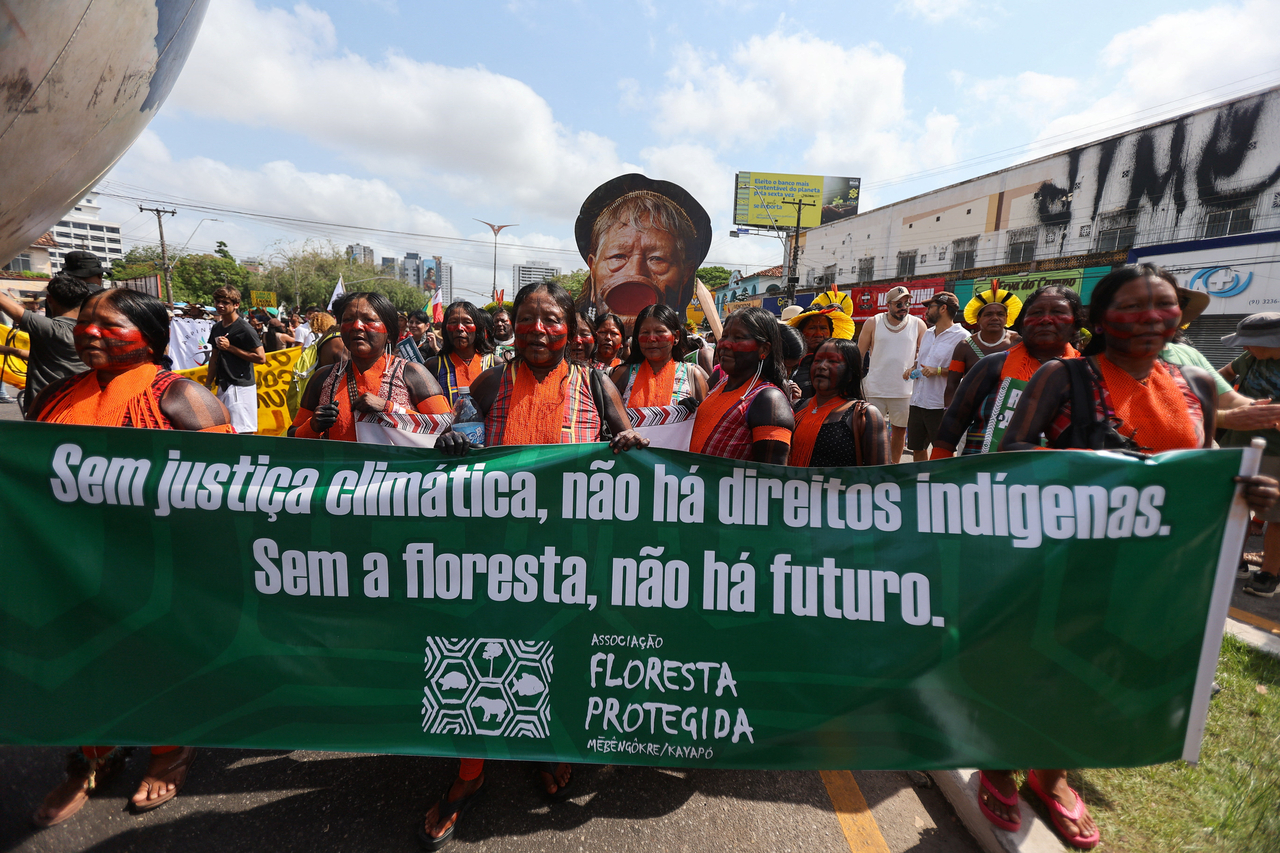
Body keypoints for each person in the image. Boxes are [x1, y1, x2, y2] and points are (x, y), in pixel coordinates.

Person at [991, 265, 1279, 850]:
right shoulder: (1062, 377)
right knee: (1038, 659)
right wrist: (1108, 473)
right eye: (1132, 307)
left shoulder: (1196, 386)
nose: (1150, 319)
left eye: (1164, 308)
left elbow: (1205, 466)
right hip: (1065, 558)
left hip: (1154, 568)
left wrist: (1249, 491)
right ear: (1099, 320)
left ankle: (1050, 775)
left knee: (1100, 670)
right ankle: (996, 761)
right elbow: (1012, 453)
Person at [427, 282, 647, 850]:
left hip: (573, 556)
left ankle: (548, 746)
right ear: (512, 326)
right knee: (477, 654)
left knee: (562, 652)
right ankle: (469, 774)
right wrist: (453, 440)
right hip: (495, 555)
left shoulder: (596, 383)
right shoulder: (491, 381)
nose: (539, 330)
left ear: (571, 329)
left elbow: (625, 433)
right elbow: (463, 435)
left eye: (551, 320)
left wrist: (627, 439)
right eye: (528, 319)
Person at [26, 287, 232, 827]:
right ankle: (91, 759)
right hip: (68, 568)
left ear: (153, 337)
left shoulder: (184, 399)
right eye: (84, 323)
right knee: (81, 666)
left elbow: (228, 493)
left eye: (108, 325)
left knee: (156, 660)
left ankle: (170, 750)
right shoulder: (52, 398)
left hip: (158, 572)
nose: (89, 332)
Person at [931, 285, 1082, 458]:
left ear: (1075, 322)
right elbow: (955, 418)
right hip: (980, 478)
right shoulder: (991, 363)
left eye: (1057, 312)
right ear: (1023, 322)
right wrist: (937, 473)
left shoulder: (1088, 376)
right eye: (1036, 313)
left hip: (1054, 482)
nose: (1046, 319)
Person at [288, 292, 450, 441]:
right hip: (338, 472)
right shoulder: (323, 377)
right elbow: (293, 434)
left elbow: (447, 427)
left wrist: (388, 408)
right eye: (348, 319)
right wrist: (313, 426)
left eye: (369, 320)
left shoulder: (413, 373)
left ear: (390, 333)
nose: (356, 326)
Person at [575, 173, 712, 326]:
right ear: (593, 269)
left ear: (685, 274)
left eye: (657, 259)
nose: (635, 273)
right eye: (618, 256)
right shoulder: (577, 347)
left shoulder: (695, 350)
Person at [1217, 312, 1280, 597]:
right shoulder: (1251, 359)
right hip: (1238, 444)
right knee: (1235, 508)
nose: (1243, 348)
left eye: (1250, 342)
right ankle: (1234, 560)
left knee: (1276, 517)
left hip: (1276, 452)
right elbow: (1221, 377)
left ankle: (1269, 574)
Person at [690, 306, 795, 463]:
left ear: (764, 349)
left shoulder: (769, 399)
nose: (725, 344)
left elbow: (772, 477)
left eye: (738, 338)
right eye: (724, 336)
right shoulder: (721, 384)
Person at [1, 273, 97, 409]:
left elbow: (6, 303)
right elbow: (55, 359)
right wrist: (11, 350)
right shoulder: (92, 330)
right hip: (80, 404)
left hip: (46, 408)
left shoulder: (51, 328)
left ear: (49, 299)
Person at [789, 339, 889, 466]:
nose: (821, 366)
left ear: (851, 373)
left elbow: (881, 475)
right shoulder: (795, 408)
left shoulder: (863, 415)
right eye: (817, 360)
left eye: (832, 361)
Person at [858, 285, 926, 462]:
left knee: (899, 431)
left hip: (904, 391)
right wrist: (856, 382)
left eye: (906, 303)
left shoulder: (918, 324)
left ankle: (893, 467)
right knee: (871, 430)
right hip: (875, 389)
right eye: (898, 304)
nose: (903, 306)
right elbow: (859, 354)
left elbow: (927, 355)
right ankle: (872, 464)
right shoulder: (873, 322)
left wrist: (915, 367)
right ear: (888, 305)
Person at [906, 293, 969, 461]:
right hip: (918, 401)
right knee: (917, 448)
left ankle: (942, 483)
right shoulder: (928, 333)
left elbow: (968, 370)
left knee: (943, 451)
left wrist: (939, 371)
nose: (926, 311)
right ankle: (921, 481)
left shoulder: (963, 337)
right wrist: (912, 368)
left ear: (943, 308)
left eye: (930, 307)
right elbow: (921, 362)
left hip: (940, 405)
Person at [610, 303, 708, 409]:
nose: (651, 338)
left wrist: (681, 413)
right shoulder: (623, 375)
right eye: (645, 332)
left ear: (676, 337)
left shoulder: (692, 375)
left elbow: (705, 418)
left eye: (659, 331)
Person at [945, 284, 1022, 407]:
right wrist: (948, 412)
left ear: (1007, 318)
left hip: (1008, 410)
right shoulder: (964, 346)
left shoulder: (1018, 342)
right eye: (988, 314)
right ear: (978, 319)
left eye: (1000, 314)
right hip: (973, 410)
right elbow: (952, 384)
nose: (995, 318)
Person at [205, 286, 266, 434]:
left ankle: (247, 457)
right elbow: (214, 357)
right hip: (223, 384)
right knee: (224, 429)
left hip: (240, 386)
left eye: (225, 302)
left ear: (236, 305)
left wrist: (230, 348)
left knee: (243, 431)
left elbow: (261, 357)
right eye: (217, 301)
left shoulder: (244, 329)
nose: (220, 305)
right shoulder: (217, 327)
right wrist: (208, 384)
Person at [787, 291, 856, 402]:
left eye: (823, 328)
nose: (818, 334)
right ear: (800, 332)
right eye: (812, 328)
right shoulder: (789, 361)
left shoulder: (843, 363)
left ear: (831, 332)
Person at [425, 301, 499, 405]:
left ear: (478, 328)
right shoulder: (434, 365)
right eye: (453, 322)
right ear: (445, 329)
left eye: (467, 322)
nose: (459, 328)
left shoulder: (495, 364)